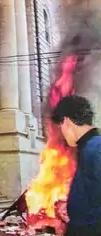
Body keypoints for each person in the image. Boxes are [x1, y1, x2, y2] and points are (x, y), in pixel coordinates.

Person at [52, 95, 101, 236]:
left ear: (66, 121)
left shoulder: (95, 148)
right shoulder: (89, 148)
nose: (62, 132)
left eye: (60, 126)